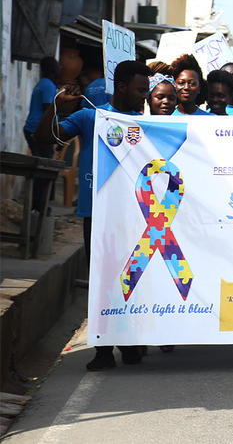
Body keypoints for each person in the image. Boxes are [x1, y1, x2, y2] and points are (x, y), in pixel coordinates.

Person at [34, 60, 151, 370]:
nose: (145, 96)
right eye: (141, 90)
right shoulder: (89, 117)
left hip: (138, 218)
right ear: (122, 87)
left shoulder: (149, 122)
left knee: (134, 281)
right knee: (102, 282)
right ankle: (103, 349)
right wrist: (56, 106)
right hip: (97, 214)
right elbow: (44, 139)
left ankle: (131, 342)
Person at [23, 57, 59, 209]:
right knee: (44, 168)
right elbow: (48, 111)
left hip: (32, 129)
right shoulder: (48, 85)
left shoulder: (42, 84)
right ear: (53, 70)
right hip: (38, 131)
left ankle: (38, 205)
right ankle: (38, 206)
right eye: (57, 67)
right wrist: (55, 134)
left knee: (42, 167)